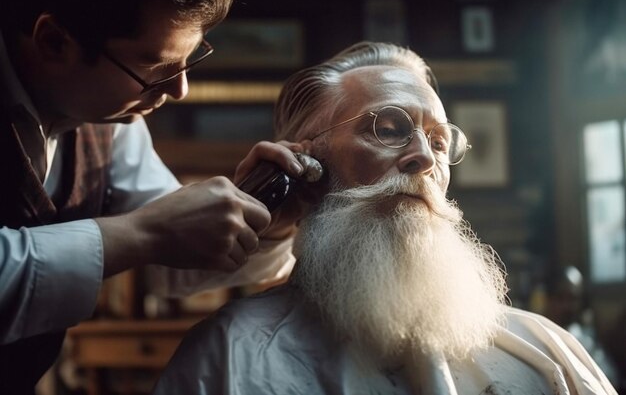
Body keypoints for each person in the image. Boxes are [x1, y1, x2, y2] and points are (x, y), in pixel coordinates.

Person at [153, 42, 618, 395]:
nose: (423, 158)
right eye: (389, 129)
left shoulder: (543, 349)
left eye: (439, 141)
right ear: (303, 164)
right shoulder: (230, 356)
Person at [0, 0, 312, 393]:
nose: (179, 90)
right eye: (154, 68)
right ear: (55, 42)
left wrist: (265, 221)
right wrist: (140, 232)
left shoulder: (114, 119)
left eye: (190, 59)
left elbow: (169, 261)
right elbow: (149, 234)